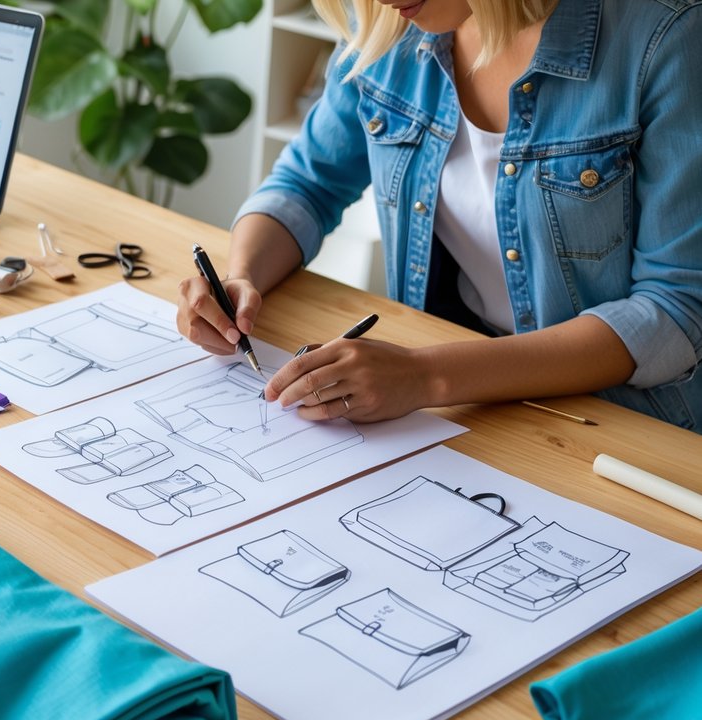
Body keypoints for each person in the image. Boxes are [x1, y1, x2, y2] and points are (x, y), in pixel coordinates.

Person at [176, 0, 702, 433]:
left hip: (624, 424)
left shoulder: (667, 36)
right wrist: (241, 277)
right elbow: (306, 183)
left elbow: (675, 310)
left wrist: (426, 377)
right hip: (464, 400)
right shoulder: (387, 24)